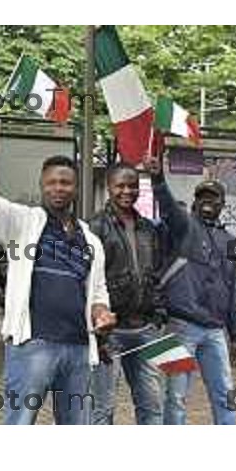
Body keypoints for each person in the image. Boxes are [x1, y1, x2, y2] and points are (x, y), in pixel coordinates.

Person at [0, 123, 115, 425]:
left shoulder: (91, 240)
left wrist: (101, 313)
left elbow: (97, 291)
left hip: (78, 348)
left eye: (65, 182)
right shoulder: (24, 223)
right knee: (20, 423)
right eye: (51, 182)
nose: (58, 188)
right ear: (42, 186)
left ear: (76, 188)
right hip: (33, 345)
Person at [143, 155, 236, 425]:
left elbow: (232, 291)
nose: (208, 201)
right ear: (195, 202)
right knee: (175, 397)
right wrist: (157, 179)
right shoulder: (183, 226)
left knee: (225, 394)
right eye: (202, 197)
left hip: (214, 331)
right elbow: (168, 207)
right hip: (178, 326)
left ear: (223, 204)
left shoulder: (230, 241)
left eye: (214, 197)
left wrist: (235, 335)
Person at [89, 163, 167, 425]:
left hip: (147, 329)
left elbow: (156, 273)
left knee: (153, 405)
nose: (127, 191)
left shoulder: (148, 227)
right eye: (120, 185)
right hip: (110, 333)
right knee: (102, 408)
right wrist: (96, 333)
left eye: (132, 185)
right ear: (109, 188)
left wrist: (159, 315)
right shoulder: (95, 227)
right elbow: (88, 281)